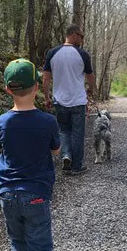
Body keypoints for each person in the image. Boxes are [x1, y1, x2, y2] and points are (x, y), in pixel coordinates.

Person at [0, 58, 60, 251]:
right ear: (37, 87)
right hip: (36, 195)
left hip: (8, 194)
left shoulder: (2, 122)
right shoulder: (47, 121)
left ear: (8, 90)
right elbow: (56, 151)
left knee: (18, 245)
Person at [43, 24, 96, 175]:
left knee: (64, 131)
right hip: (78, 101)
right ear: (73, 35)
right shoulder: (82, 55)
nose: (82, 39)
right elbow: (90, 76)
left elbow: (46, 77)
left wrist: (47, 98)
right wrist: (91, 90)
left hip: (59, 101)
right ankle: (77, 166)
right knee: (78, 133)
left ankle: (66, 156)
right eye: (81, 36)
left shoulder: (52, 53)